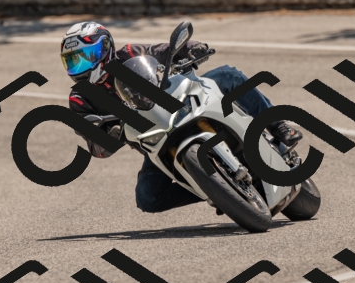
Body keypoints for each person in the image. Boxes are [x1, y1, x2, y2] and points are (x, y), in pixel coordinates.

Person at [61, 21, 303, 214]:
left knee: (229, 75)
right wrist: (108, 137)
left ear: (104, 48)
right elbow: (95, 147)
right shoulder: (80, 98)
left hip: (182, 103)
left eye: (84, 57)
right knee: (148, 197)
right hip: (157, 140)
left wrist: (191, 48)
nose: (78, 65)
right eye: (72, 61)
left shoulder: (129, 54)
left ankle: (277, 125)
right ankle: (217, 190)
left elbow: (162, 52)